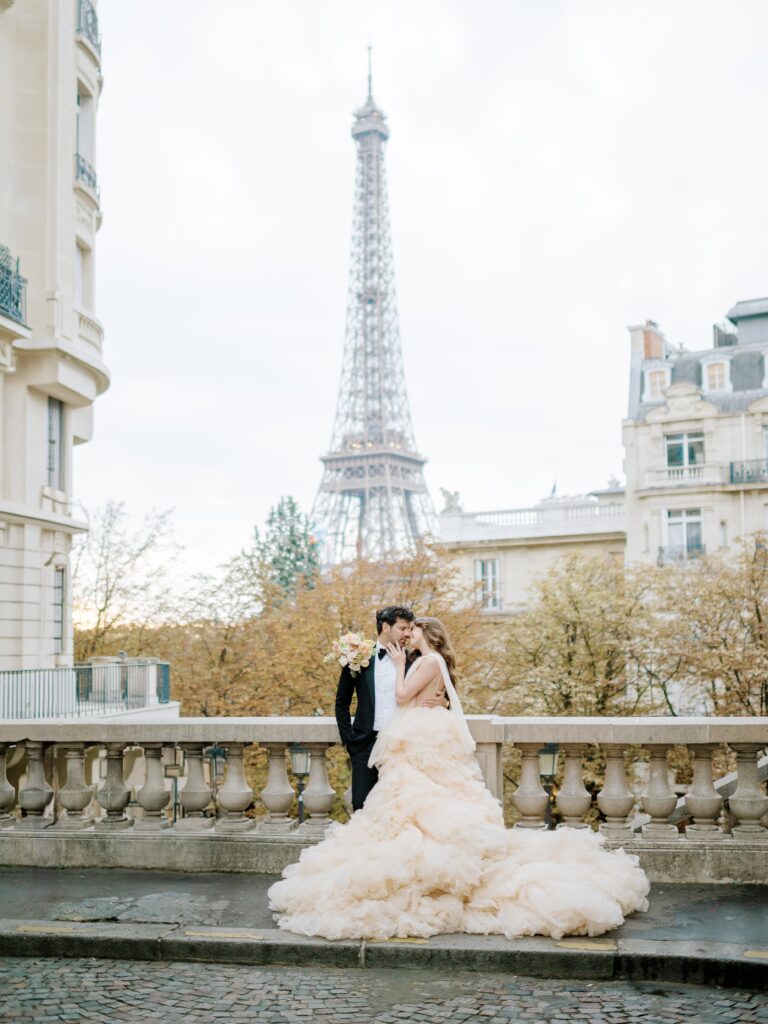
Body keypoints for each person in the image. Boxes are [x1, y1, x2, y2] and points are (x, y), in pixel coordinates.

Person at [269, 616, 650, 941]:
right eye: (406, 629)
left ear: (427, 634)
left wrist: (400, 666)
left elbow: (402, 697)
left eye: (414, 630)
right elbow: (430, 694)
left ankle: (426, 868)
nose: (409, 635)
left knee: (420, 799)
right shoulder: (428, 660)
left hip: (419, 735)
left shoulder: (426, 660)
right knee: (417, 799)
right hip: (421, 732)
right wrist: (437, 694)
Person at [334, 605, 445, 811]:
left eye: (409, 629)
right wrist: (348, 740)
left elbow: (438, 686)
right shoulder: (357, 657)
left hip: (401, 744)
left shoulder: (415, 660)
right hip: (365, 744)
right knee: (361, 804)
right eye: (402, 628)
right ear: (386, 627)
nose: (407, 634)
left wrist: (443, 701)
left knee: (398, 806)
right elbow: (342, 701)